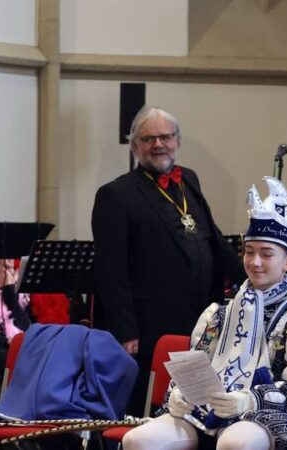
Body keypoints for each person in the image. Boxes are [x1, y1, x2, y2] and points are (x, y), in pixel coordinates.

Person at [123, 176, 287, 450]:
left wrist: (251, 400)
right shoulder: (219, 313)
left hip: (268, 415)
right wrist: (178, 394)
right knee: (137, 439)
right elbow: (192, 369)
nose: (255, 262)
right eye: (249, 252)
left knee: (236, 443)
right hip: (205, 410)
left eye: (267, 254)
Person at [91, 106, 241, 415]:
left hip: (199, 321)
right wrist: (125, 330)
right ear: (135, 147)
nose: (158, 144)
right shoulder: (115, 195)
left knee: (194, 409)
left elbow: (212, 237)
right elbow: (110, 271)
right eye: (148, 139)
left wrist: (253, 281)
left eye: (165, 137)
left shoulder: (189, 179)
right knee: (148, 411)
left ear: (177, 140)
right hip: (149, 329)